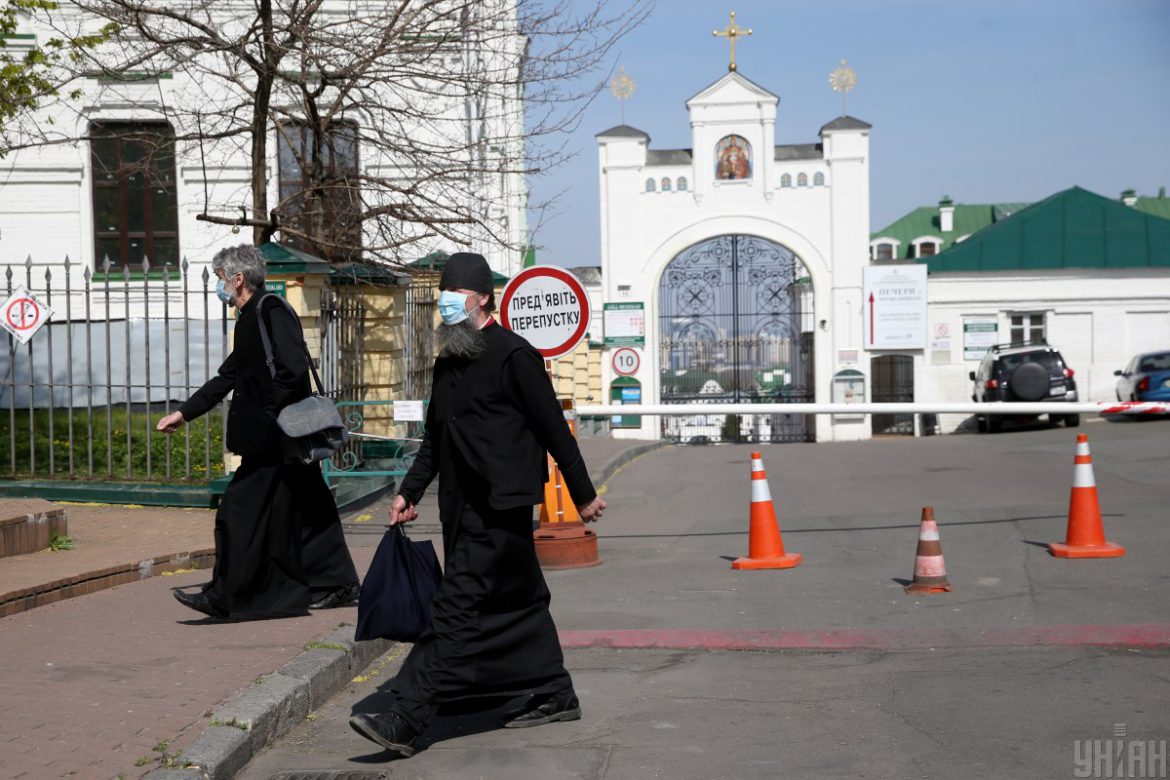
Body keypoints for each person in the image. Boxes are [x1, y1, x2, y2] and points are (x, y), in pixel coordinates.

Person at [349, 252, 606, 758]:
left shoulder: (515, 355)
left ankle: (408, 714)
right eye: (442, 294)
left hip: (501, 504)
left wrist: (582, 494)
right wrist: (410, 491)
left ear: (482, 298)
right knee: (518, 599)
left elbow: (553, 428)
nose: (445, 302)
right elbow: (435, 440)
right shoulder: (449, 360)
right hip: (460, 506)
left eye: (455, 294)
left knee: (457, 605)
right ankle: (555, 693)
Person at [156, 244, 359, 620]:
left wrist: (270, 417)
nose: (219, 288)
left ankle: (225, 595)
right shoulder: (249, 317)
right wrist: (185, 413)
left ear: (238, 279)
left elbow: (293, 369)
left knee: (236, 511)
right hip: (276, 439)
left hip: (275, 439)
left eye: (220, 280)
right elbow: (229, 376)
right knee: (309, 510)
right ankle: (335, 583)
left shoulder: (270, 310)